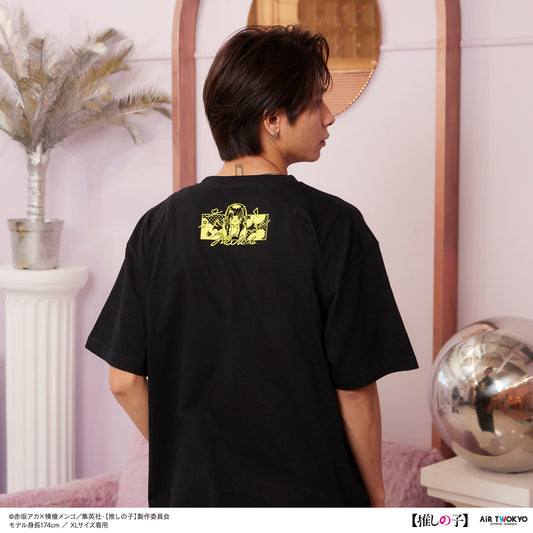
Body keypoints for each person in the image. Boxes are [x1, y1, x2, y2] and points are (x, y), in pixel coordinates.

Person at [86, 25, 418, 508]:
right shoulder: (334, 227)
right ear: (273, 119)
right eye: (316, 103)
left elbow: (123, 381)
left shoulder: (159, 226)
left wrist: (191, 457)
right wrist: (376, 499)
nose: (329, 117)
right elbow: (355, 392)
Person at [474, 367, 496, 433]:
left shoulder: (491, 380)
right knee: (481, 420)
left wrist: (490, 404)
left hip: (486, 402)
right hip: (478, 402)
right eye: (489, 370)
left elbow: (492, 392)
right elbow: (479, 391)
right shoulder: (481, 381)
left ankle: (491, 433)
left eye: (491, 371)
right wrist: (474, 399)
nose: (490, 372)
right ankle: (484, 432)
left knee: (488, 420)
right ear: (486, 371)